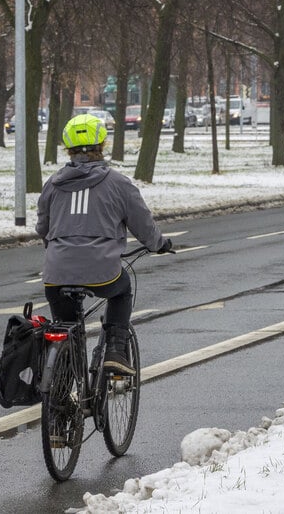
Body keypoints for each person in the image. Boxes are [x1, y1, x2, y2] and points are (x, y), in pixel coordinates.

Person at [36, 113, 171, 375]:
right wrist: (159, 244)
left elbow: (43, 228)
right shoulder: (118, 183)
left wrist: (59, 248)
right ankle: (116, 352)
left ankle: (60, 387)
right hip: (102, 271)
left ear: (68, 148)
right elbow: (143, 225)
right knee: (121, 291)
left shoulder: (52, 184)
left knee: (65, 325)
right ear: (102, 145)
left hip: (56, 273)